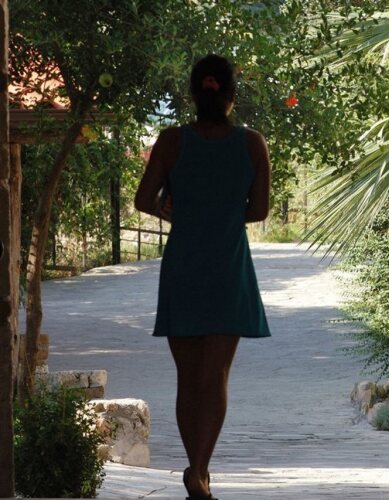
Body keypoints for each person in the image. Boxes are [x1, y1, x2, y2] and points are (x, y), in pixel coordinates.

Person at [134, 54, 272, 500]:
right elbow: (259, 210)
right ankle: (200, 470)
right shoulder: (253, 144)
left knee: (188, 378)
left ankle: (196, 468)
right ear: (232, 97)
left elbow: (143, 199)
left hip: (184, 267)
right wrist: (224, 212)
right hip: (228, 268)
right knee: (215, 378)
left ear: (194, 95)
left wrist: (172, 209)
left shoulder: (172, 141)